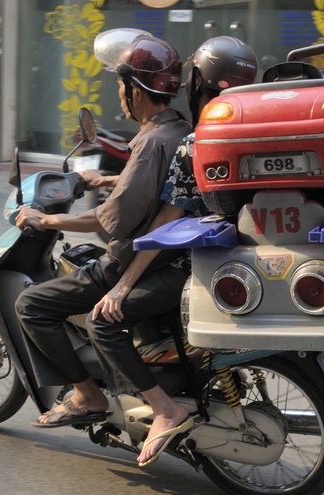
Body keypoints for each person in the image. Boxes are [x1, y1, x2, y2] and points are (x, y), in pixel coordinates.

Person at [89, 36, 259, 466]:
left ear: (198, 84)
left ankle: (166, 409)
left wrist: (122, 286)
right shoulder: (252, 134)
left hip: (190, 265)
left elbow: (167, 222)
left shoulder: (197, 142)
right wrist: (111, 183)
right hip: (240, 260)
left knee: (104, 323)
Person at [14, 34, 191, 438]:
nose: (118, 97)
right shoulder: (177, 128)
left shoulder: (149, 143)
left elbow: (111, 219)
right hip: (167, 257)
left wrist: (47, 222)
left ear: (136, 90)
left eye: (120, 87)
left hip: (135, 262)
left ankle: (88, 394)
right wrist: (108, 177)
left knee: (31, 304)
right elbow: (157, 188)